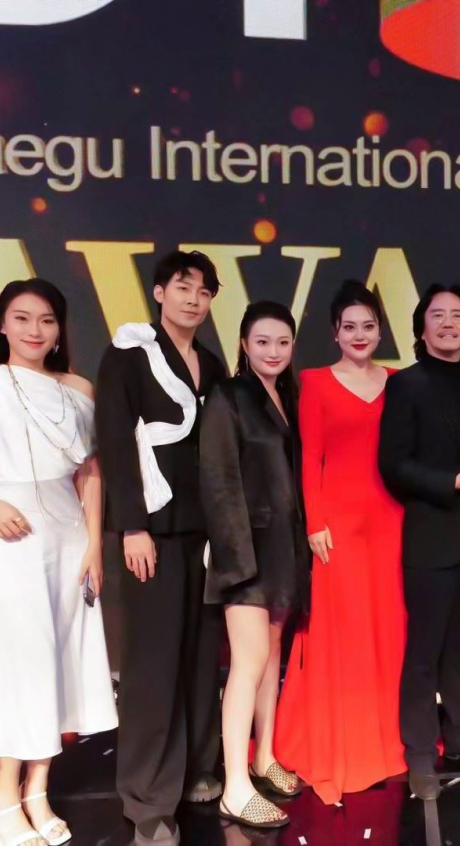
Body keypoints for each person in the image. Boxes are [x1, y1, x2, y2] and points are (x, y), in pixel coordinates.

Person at [0, 279, 117, 846]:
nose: (35, 330)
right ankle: (2, 797)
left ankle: (38, 790)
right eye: (23, 318)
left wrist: (94, 544)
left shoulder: (79, 388)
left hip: (67, 540)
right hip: (6, 541)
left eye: (47, 320)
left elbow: (90, 471)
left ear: (59, 330)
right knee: (18, 666)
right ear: (2, 325)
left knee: (57, 663)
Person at [95, 250, 226, 846]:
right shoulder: (129, 353)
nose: (193, 299)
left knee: (200, 659)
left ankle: (197, 770)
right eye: (182, 287)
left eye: (203, 291)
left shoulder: (213, 364)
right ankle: (147, 799)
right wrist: (132, 526)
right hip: (152, 529)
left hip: (206, 533)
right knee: (152, 665)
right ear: (159, 292)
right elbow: (115, 442)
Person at [274, 281, 408, 805]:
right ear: (334, 332)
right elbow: (310, 456)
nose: (359, 335)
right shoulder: (315, 382)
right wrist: (315, 522)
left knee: (387, 629)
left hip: (391, 521)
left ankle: (384, 739)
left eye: (368, 326)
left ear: (380, 331)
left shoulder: (397, 381)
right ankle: (341, 743)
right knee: (342, 630)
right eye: (349, 326)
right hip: (336, 528)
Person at [378, 284, 460, 800]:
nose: (449, 323)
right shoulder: (405, 384)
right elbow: (394, 465)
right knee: (424, 654)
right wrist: (451, 482)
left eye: (458, 315)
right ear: (422, 326)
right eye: (438, 315)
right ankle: (418, 751)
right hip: (431, 536)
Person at [199, 301, 310, 828]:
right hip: (244, 553)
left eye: (283, 342)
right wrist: (236, 561)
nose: (273, 351)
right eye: (262, 342)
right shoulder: (228, 395)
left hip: (284, 551)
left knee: (270, 659)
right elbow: (218, 482)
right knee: (248, 662)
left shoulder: (289, 396)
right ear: (244, 344)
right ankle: (235, 787)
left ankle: (264, 758)